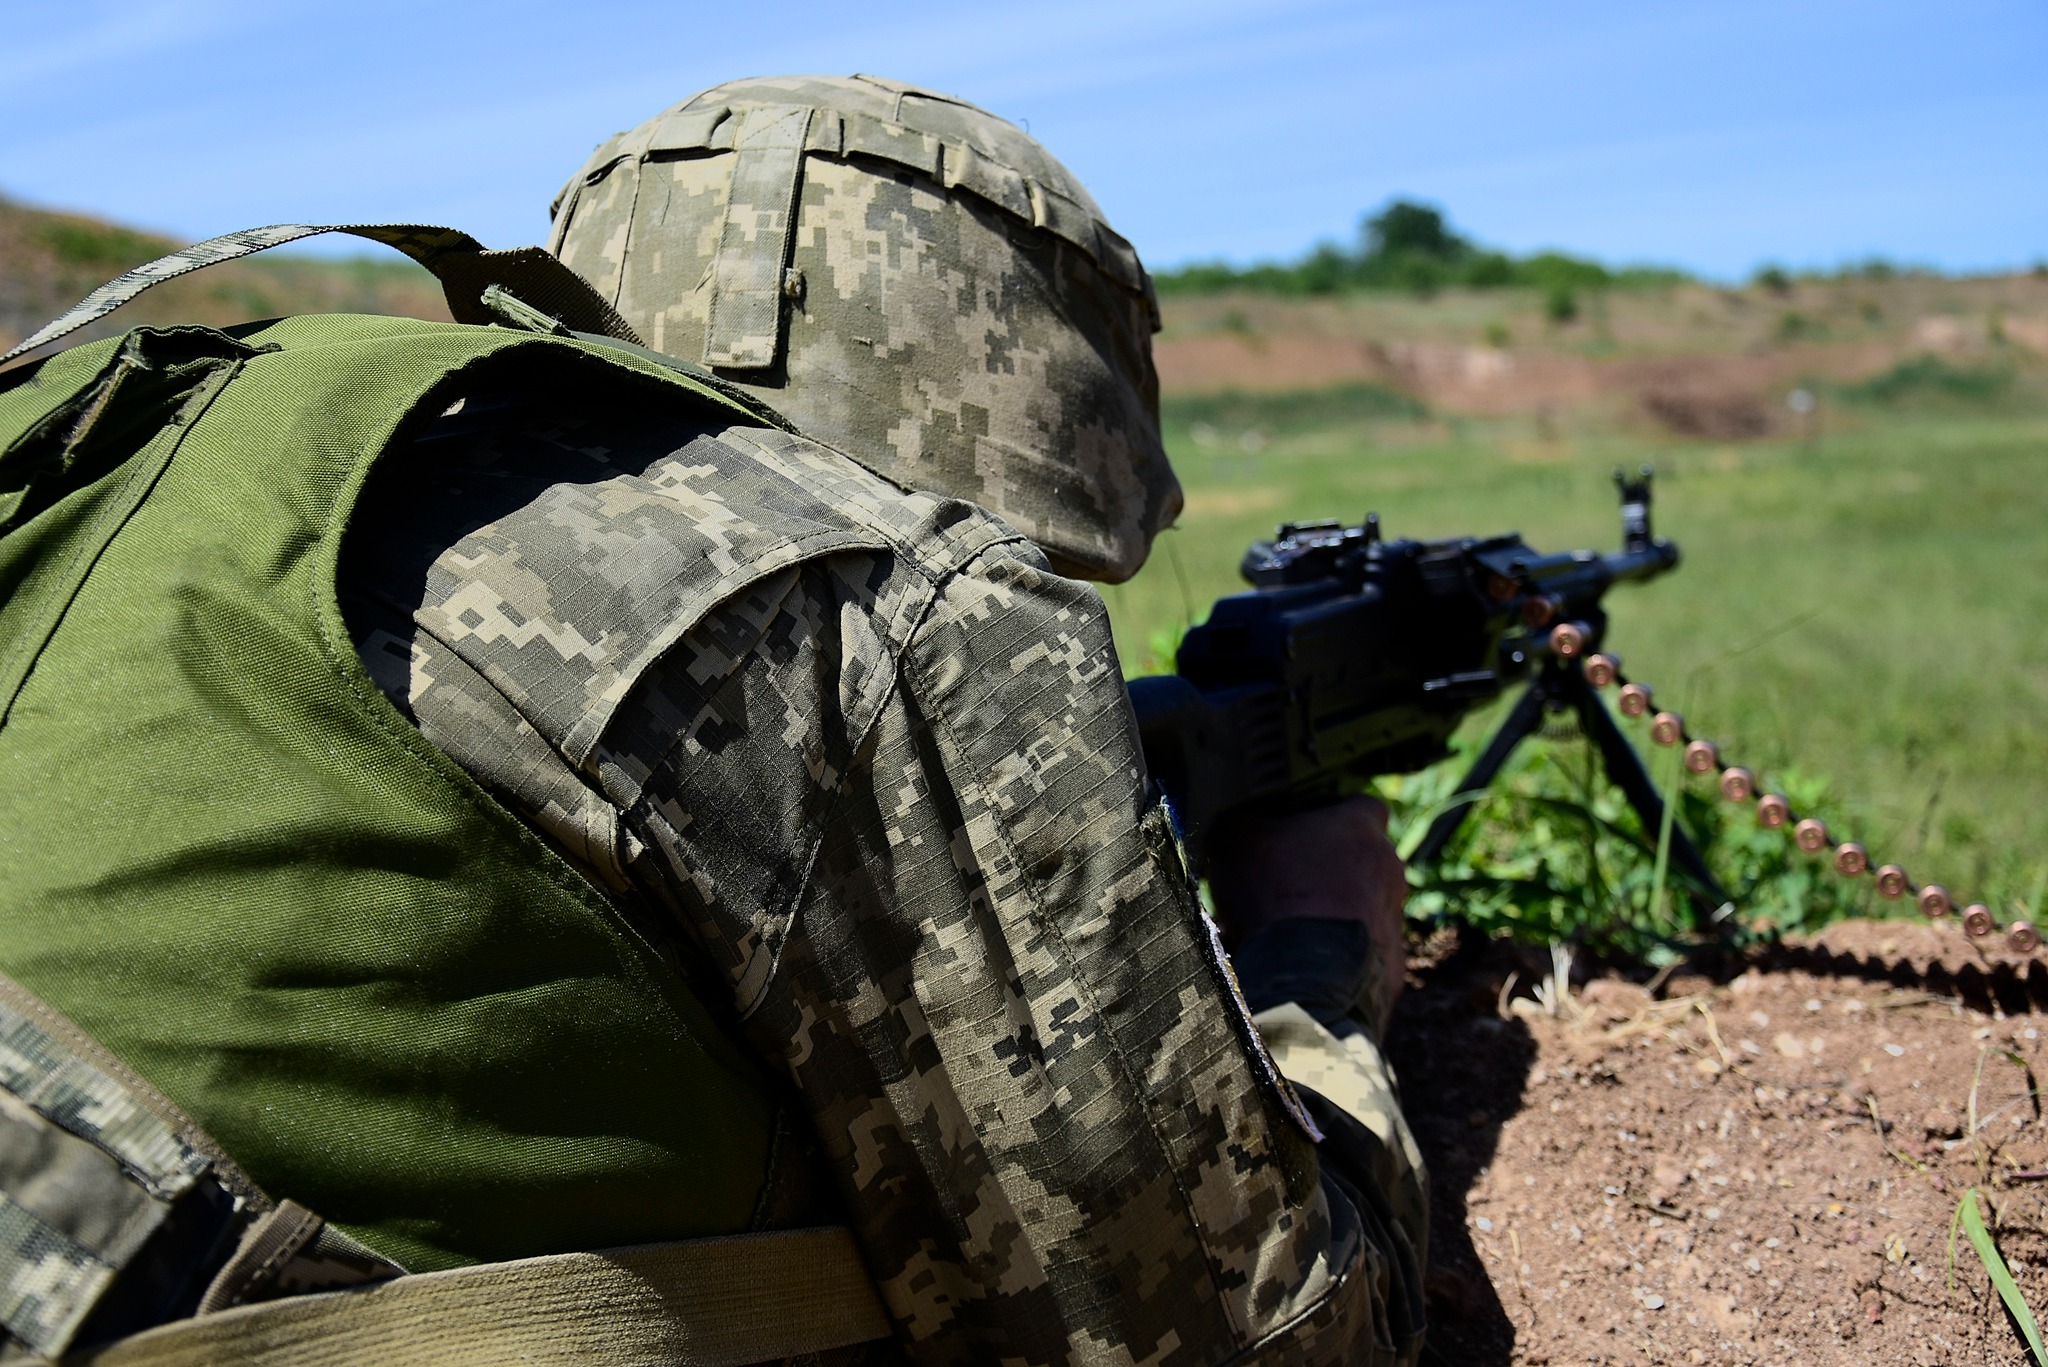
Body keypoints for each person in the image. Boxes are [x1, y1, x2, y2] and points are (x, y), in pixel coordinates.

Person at [0, 75, 1426, 1366]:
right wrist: (1316, 973)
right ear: (1030, 395)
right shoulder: (871, 596)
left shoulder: (163, 418)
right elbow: (1269, 1343)